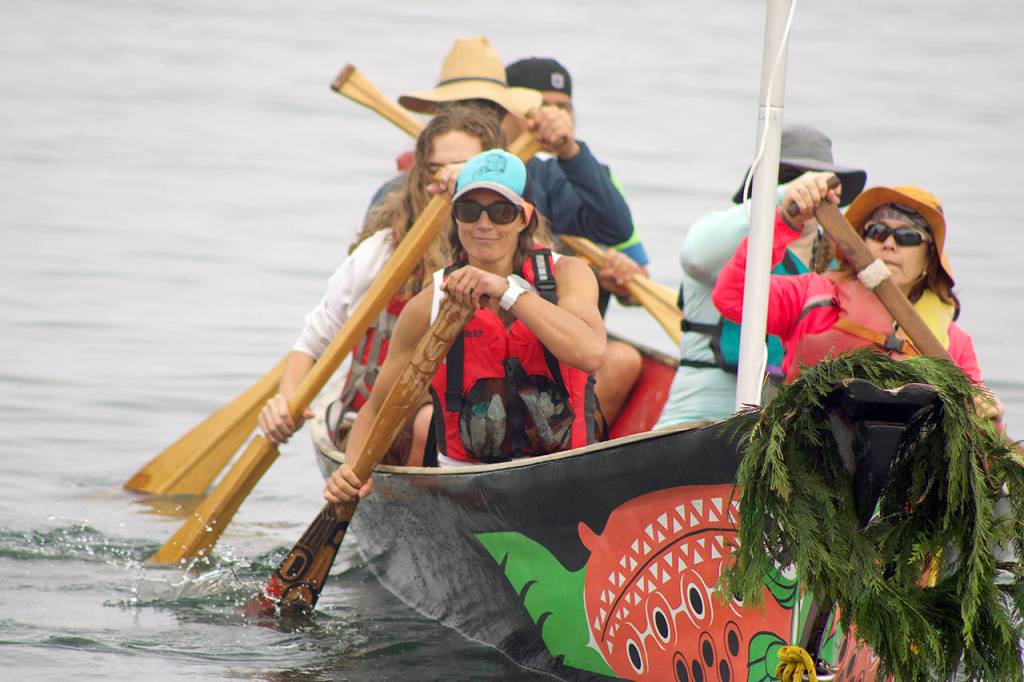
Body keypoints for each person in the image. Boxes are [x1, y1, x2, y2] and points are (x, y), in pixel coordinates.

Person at [325, 149, 606, 503]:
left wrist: (506, 292)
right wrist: (350, 473)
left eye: (501, 212)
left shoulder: (569, 275)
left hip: (564, 475)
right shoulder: (429, 305)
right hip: (470, 490)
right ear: (455, 218)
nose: (484, 225)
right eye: (469, 211)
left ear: (524, 217)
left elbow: (591, 352)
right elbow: (378, 408)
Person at [258, 106, 508, 462]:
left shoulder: (515, 250)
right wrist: (285, 401)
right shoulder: (382, 253)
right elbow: (315, 339)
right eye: (438, 168)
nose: (451, 177)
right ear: (422, 175)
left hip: (486, 424)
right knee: (427, 422)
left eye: (466, 168)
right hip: (379, 428)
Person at [710, 172, 1003, 420]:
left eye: (908, 237)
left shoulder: (956, 344)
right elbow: (732, 296)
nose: (889, 244)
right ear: (860, 243)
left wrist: (990, 417)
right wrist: (786, 220)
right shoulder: (813, 295)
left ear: (930, 259)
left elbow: (981, 446)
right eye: (878, 232)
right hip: (806, 457)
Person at [655, 126, 866, 428]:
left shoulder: (840, 263)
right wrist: (781, 198)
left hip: (791, 420)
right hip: (705, 411)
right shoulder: (727, 235)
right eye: (788, 177)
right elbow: (694, 254)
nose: (808, 193)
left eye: (817, 183)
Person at [504, 56, 647, 430]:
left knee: (624, 360)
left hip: (567, 340)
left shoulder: (586, 173)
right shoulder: (494, 173)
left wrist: (621, 276)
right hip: (503, 331)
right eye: (544, 107)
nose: (555, 116)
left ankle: (573, 444)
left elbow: (619, 238)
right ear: (510, 111)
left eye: (564, 108)